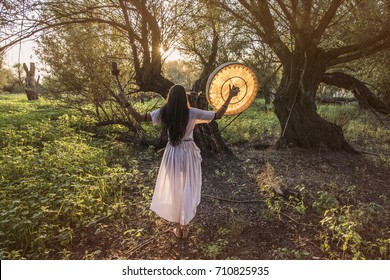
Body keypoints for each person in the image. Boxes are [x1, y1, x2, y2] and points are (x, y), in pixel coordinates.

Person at [118, 84, 240, 238]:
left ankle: (178, 227)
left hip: (173, 153)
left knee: (175, 188)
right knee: (187, 187)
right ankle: (185, 226)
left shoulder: (164, 112)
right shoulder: (192, 113)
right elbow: (218, 115)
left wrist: (125, 101)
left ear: (169, 97)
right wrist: (230, 96)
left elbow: (139, 118)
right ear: (185, 98)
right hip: (188, 152)